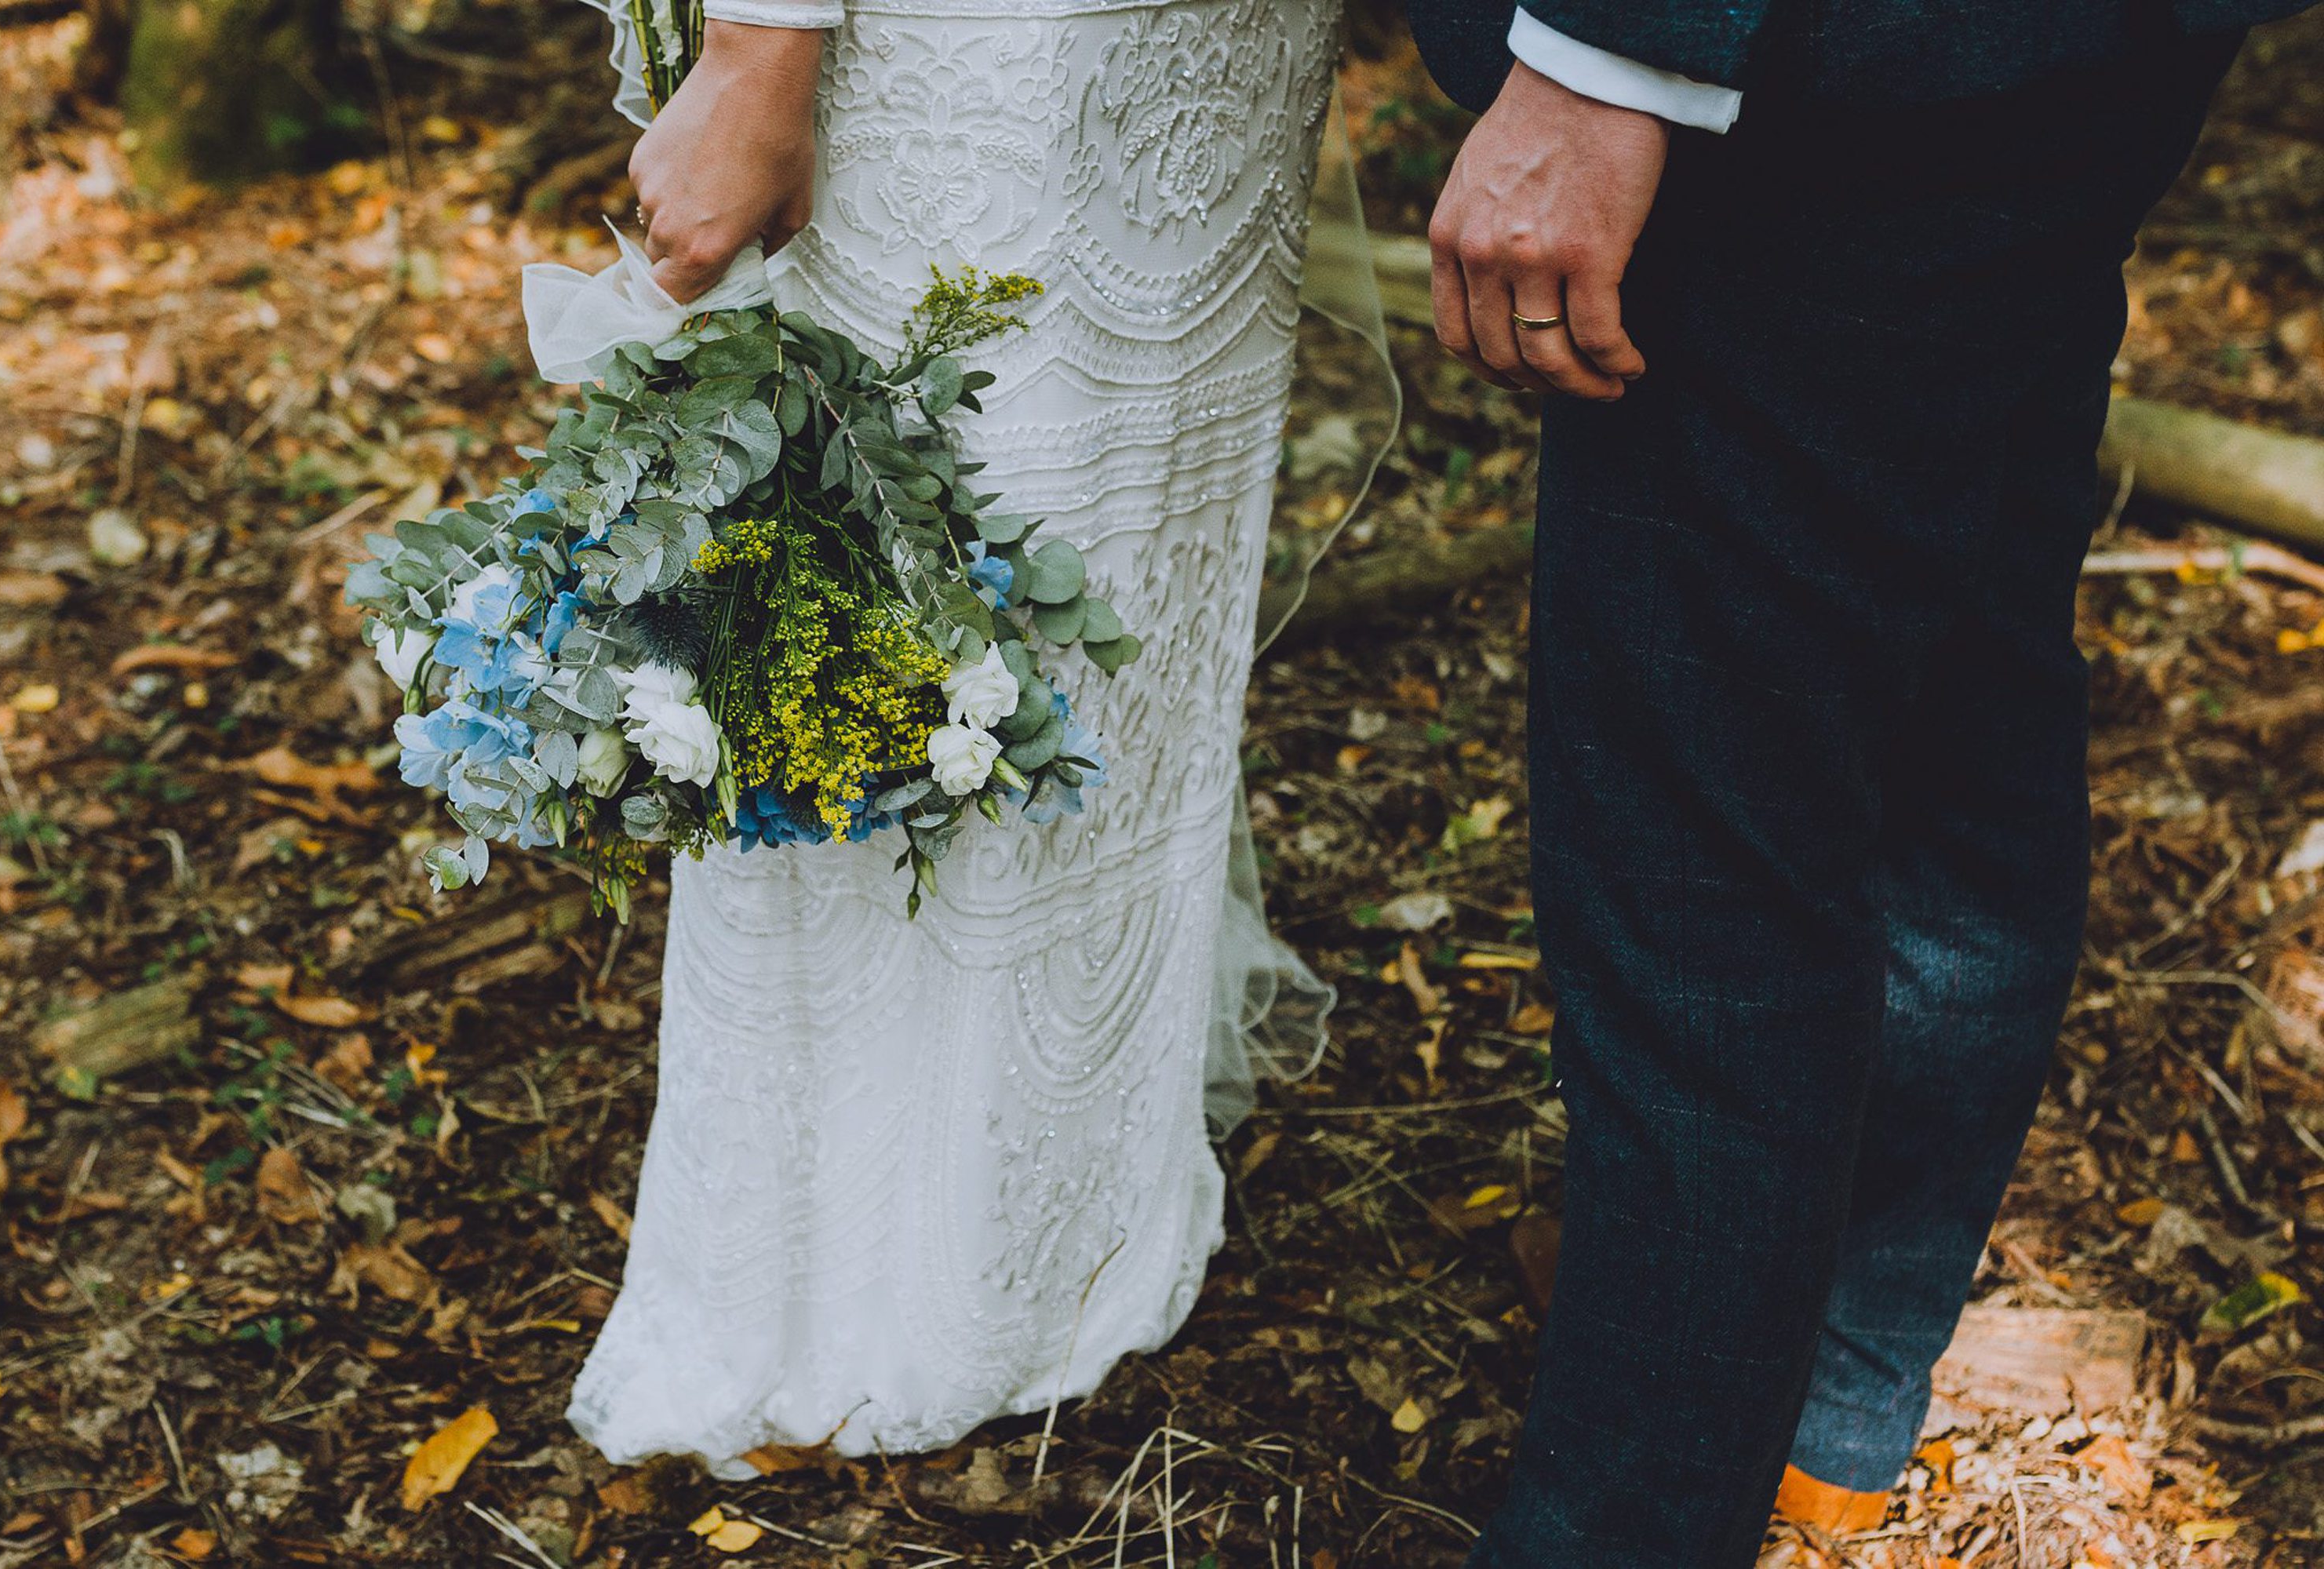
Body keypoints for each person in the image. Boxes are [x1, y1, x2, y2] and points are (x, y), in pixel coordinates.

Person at [1397, 1, 2311, 1563]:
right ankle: (1831, 1387)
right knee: (1958, 691)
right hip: (2075, 50)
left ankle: (1632, 1517)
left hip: (1815, 76)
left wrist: (1607, 60)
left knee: (1700, 864)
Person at [562, 0, 1343, 1469]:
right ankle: (863, 1268)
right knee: (936, 517)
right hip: (981, 52)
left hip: (1213, 55)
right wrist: (758, 49)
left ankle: (1072, 1189)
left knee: (1131, 545)